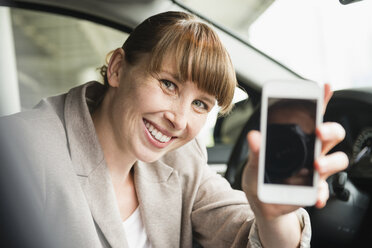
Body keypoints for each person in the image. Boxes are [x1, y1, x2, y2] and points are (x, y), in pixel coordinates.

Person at [0, 11, 348, 248]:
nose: (179, 120)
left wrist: (271, 214)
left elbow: (245, 235)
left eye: (201, 104)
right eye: (168, 84)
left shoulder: (183, 155)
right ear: (118, 69)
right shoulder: (19, 150)